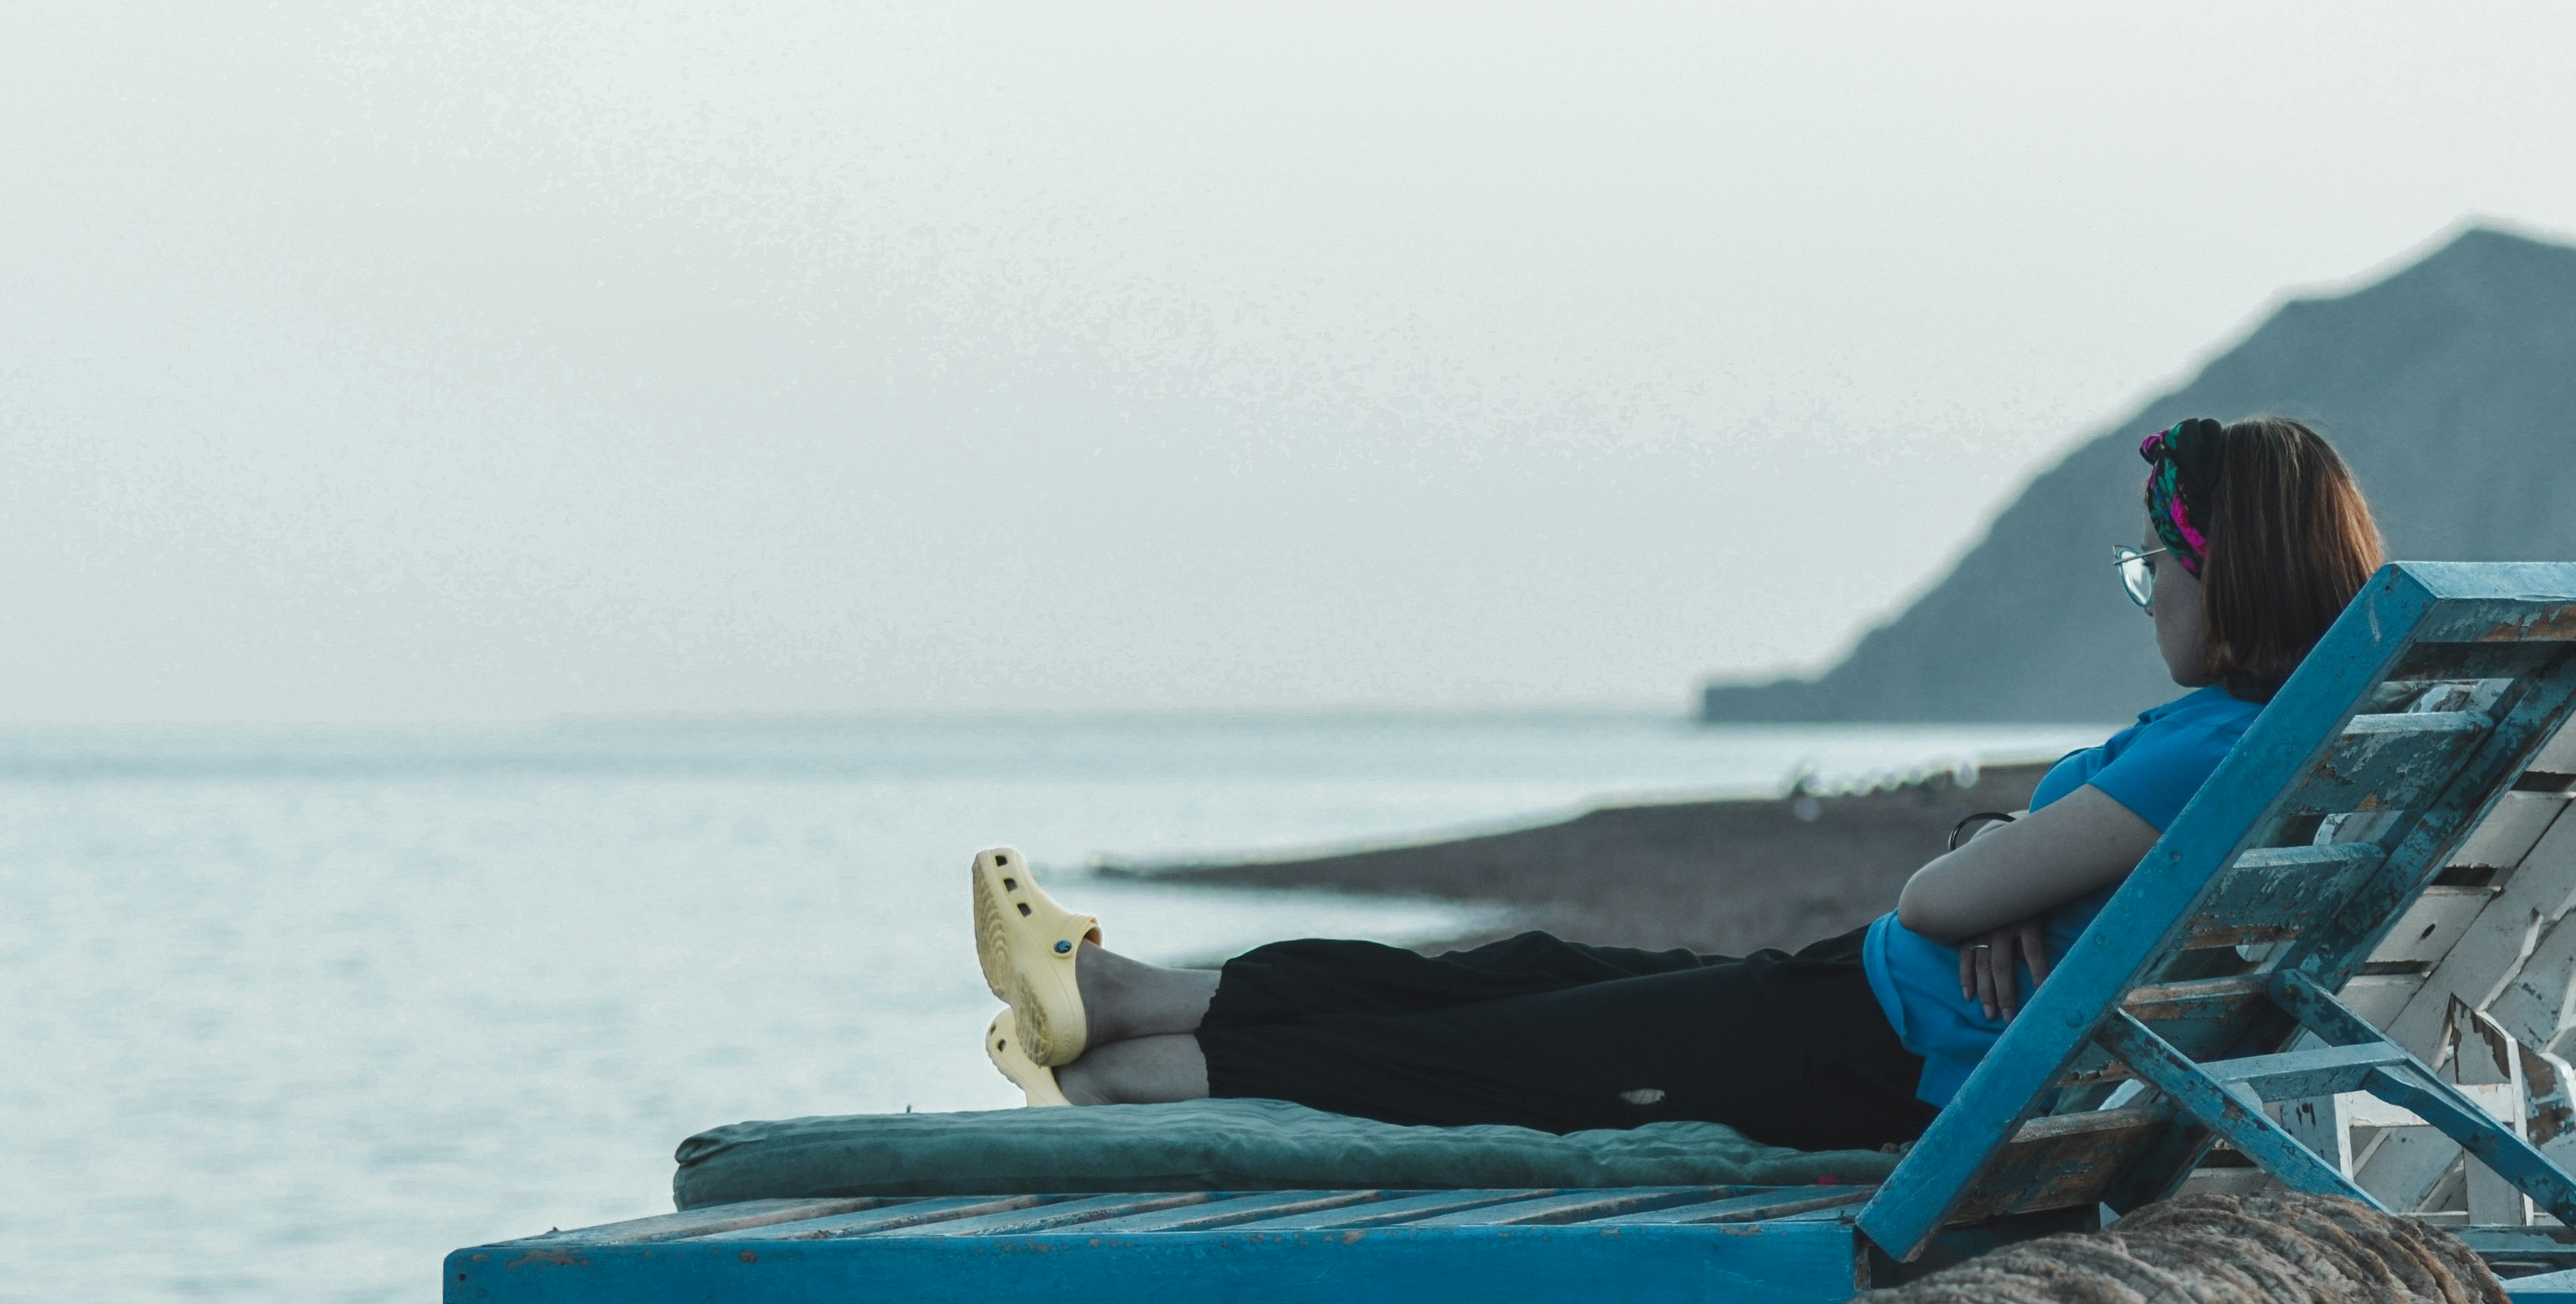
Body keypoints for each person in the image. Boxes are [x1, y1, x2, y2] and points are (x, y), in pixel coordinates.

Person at [970, 416, 2386, 1151]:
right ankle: (1123, 998)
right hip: (1860, 1018)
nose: (2146, 599)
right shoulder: (2268, 740)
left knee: (1496, 1058)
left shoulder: (2207, 744)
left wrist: (1999, 855)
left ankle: (1129, 1080)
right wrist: (2018, 847)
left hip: (1863, 1058)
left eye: (2158, 566)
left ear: (2226, 569)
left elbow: (1940, 895)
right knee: (1524, 962)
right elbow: (2000, 877)